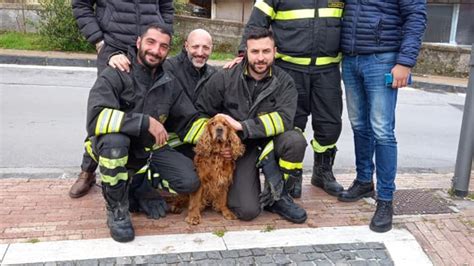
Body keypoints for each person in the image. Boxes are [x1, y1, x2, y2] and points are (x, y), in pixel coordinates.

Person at [85, 23, 200, 242]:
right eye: (151, 42)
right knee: (114, 142)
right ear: (138, 42)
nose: (156, 50)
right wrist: (144, 122)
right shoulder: (117, 73)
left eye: (163, 46)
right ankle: (117, 209)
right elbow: (95, 118)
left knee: (189, 182)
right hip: (115, 148)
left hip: (148, 152)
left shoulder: (169, 82)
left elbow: (190, 121)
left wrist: (220, 132)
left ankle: (139, 186)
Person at [225, 0, 345, 199]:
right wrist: (243, 53)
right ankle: (292, 176)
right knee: (291, 125)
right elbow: (257, 22)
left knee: (330, 124)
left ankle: (322, 173)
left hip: (327, 70)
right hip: (290, 69)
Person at [194, 28, 308, 224]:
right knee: (247, 211)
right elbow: (200, 113)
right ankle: (253, 191)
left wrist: (243, 126)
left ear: (275, 51)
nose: (260, 58)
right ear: (245, 52)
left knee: (295, 140)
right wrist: (221, 147)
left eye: (266, 51)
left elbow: (285, 119)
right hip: (240, 149)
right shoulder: (225, 77)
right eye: (255, 52)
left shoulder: (285, 82)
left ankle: (280, 196)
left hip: (271, 144)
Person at [338, 1, 427, 233]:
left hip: (383, 59)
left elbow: (416, 17)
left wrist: (405, 62)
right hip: (350, 57)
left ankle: (385, 200)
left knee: (382, 131)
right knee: (359, 125)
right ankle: (364, 181)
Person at [70, 0, 174, 198]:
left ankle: (135, 171)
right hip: (114, 50)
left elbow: (167, 7)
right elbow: (81, 5)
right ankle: (87, 171)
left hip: (149, 47)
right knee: (105, 112)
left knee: (147, 107)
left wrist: (163, 32)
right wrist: (101, 44)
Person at [163, 29, 217, 158]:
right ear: (186, 46)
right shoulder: (168, 68)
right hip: (172, 140)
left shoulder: (214, 74)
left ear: (211, 49)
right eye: (195, 47)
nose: (200, 53)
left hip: (201, 140)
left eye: (205, 48)